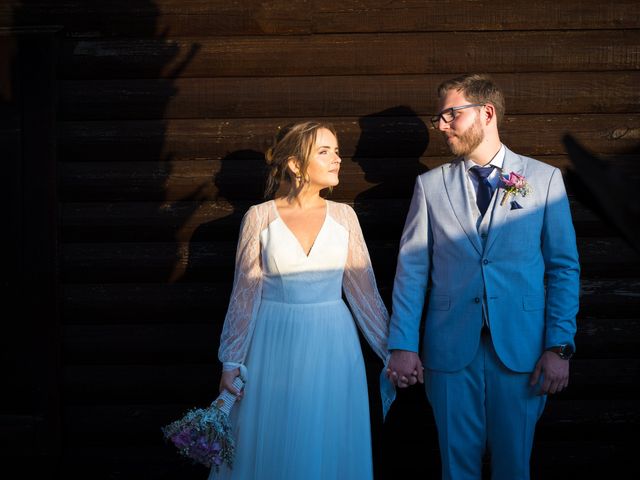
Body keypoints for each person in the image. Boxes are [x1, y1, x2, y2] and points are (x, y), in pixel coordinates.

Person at [386, 74, 580, 479]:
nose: (441, 126)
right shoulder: (429, 187)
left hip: (524, 352)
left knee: (514, 468)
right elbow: (412, 270)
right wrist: (402, 343)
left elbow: (563, 269)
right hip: (450, 353)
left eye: (450, 115)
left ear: (486, 113)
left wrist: (559, 346)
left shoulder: (543, 181)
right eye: (439, 118)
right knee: (456, 469)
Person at [212, 121, 391, 479]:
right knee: (276, 437)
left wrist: (395, 351)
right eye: (325, 151)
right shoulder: (259, 217)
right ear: (295, 165)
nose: (337, 159)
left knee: (326, 436)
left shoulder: (345, 217)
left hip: (334, 345)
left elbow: (365, 294)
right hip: (273, 345)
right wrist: (230, 360)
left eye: (336, 151)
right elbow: (244, 295)